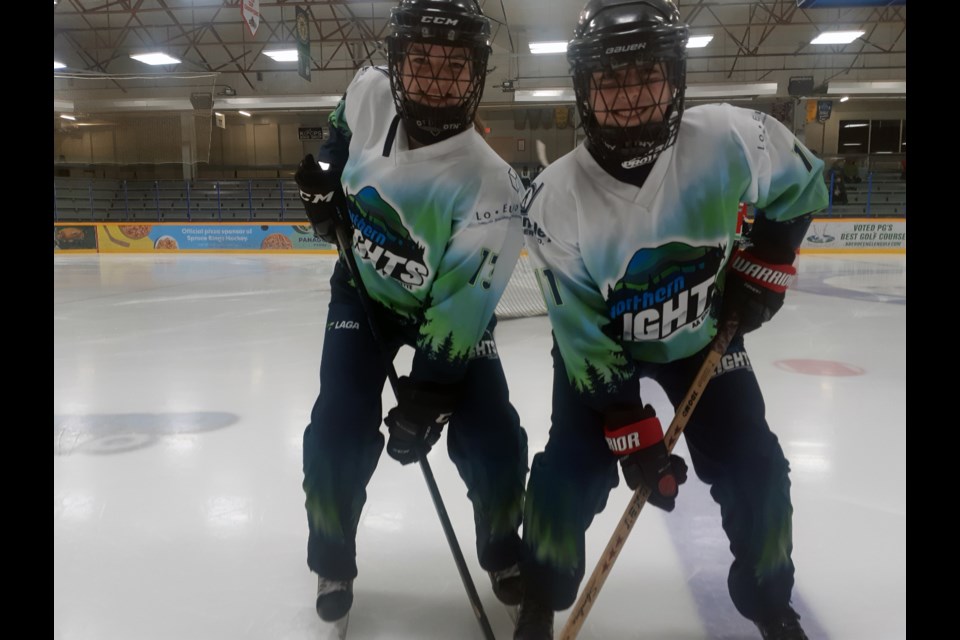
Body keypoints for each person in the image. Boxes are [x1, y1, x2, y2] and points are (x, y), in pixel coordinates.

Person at [515, 1, 828, 639]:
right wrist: (630, 430)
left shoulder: (732, 137)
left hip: (701, 338)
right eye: (610, 79)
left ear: (674, 77)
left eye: (645, 74)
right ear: (583, 91)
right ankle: (541, 595)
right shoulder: (556, 196)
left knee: (756, 466)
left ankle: (771, 605)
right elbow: (580, 333)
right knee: (566, 475)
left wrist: (763, 265)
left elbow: (804, 184)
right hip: (604, 353)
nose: (629, 96)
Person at [296, 0, 528, 627]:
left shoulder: (492, 188)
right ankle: (333, 557)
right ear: (396, 63)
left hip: (444, 315)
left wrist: (427, 401)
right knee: (336, 432)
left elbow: (459, 314)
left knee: (494, 439)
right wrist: (322, 174)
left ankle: (506, 551)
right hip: (362, 293)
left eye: (451, 65)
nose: (432, 78)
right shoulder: (371, 91)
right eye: (419, 60)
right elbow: (336, 138)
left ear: (476, 73)